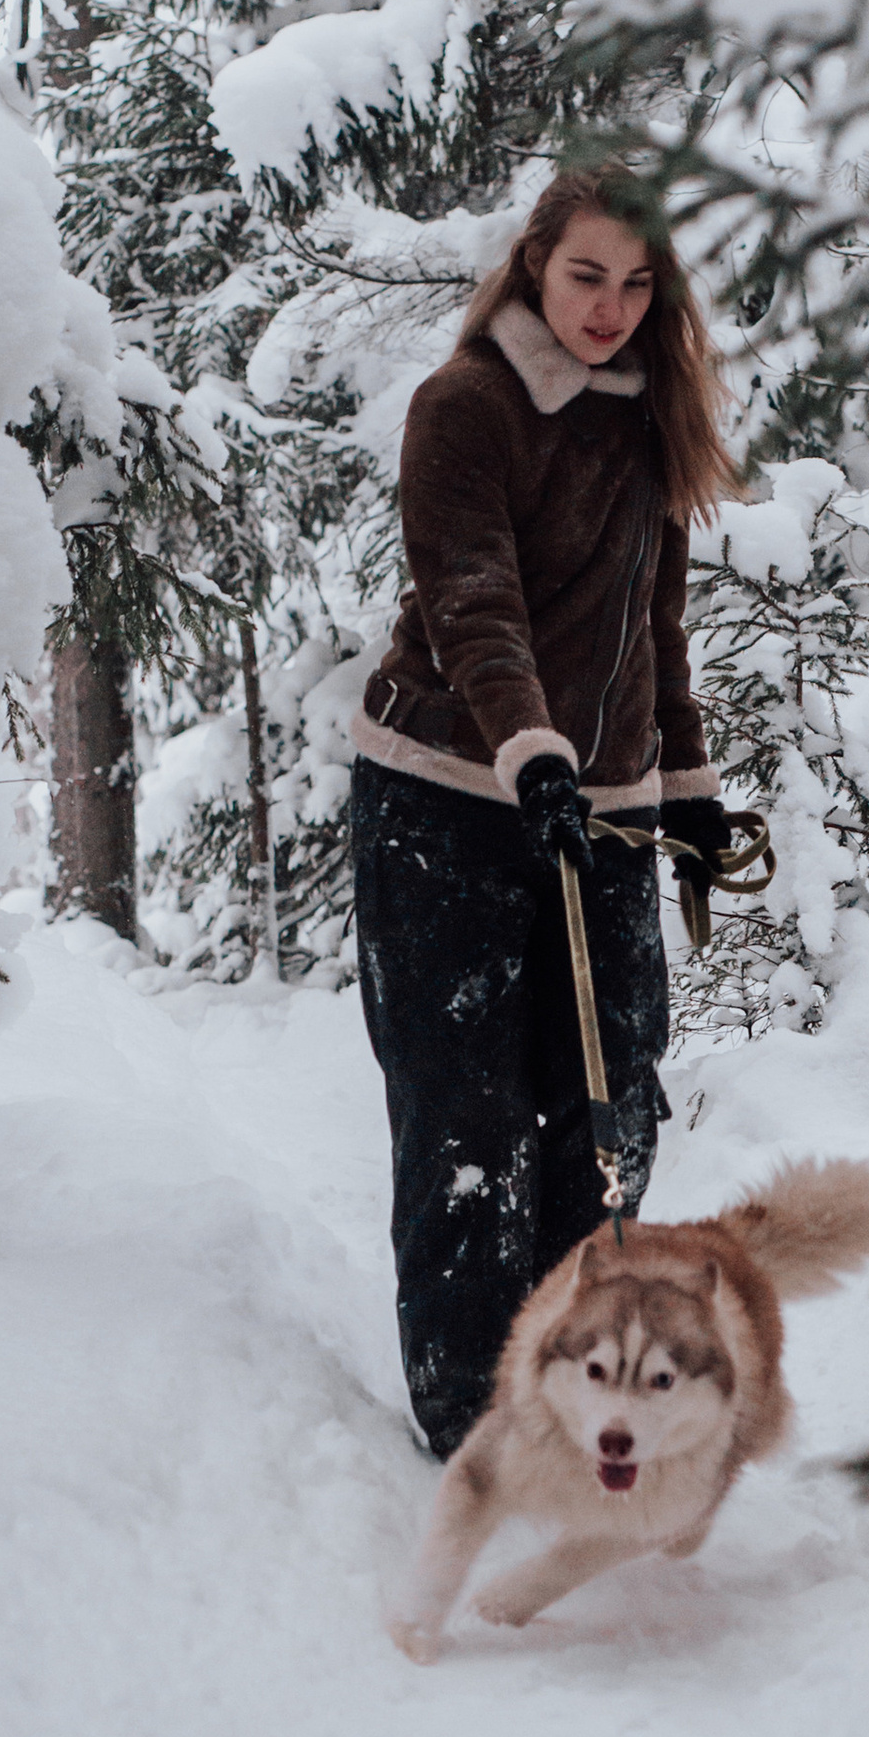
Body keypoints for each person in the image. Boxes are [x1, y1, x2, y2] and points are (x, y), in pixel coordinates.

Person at [349, 165, 748, 1458]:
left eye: (638, 284)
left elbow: (656, 629)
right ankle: (473, 1424)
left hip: (604, 815)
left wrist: (684, 786)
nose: (611, 308)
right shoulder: (465, 409)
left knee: (607, 1109)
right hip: (448, 803)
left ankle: (576, 1391)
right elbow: (473, 600)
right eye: (587, 275)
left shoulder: (650, 421)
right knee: (469, 1117)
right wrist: (530, 749)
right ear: (533, 264)